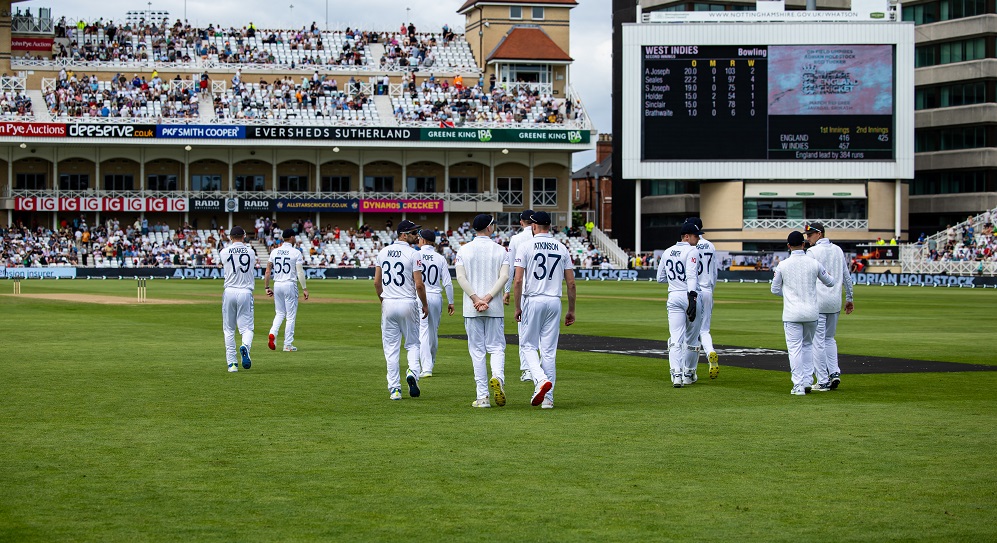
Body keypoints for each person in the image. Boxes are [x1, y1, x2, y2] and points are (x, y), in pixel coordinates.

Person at [513, 211, 576, 409]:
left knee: (528, 346)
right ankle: (548, 399)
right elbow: (571, 283)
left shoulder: (525, 246)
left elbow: (518, 280)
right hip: (554, 301)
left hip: (533, 299)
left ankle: (540, 380)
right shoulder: (562, 247)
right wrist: (571, 310)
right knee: (548, 351)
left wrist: (517, 306)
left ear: (533, 226)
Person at [455, 214, 511, 408]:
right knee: (496, 348)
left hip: (472, 308)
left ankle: (483, 397)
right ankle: (498, 378)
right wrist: (487, 298)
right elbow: (504, 277)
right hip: (494, 307)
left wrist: (476, 299)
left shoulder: (463, 249)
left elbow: (461, 278)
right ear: (489, 228)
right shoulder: (501, 250)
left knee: (477, 352)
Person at [771, 231, 834, 396]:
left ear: (788, 246)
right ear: (804, 244)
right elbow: (830, 282)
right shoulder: (813, 263)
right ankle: (807, 380)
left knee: (795, 349)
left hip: (792, 313)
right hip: (812, 313)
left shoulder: (782, 265)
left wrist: (789, 294)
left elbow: (774, 289)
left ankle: (799, 385)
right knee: (807, 346)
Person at [374, 220, 429, 400]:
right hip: (407, 302)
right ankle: (413, 372)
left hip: (388, 302)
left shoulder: (383, 252)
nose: (417, 236)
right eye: (413, 233)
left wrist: (383, 300)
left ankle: (395, 389)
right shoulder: (414, 254)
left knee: (391, 349)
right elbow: (419, 285)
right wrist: (425, 304)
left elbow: (376, 282)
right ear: (403, 235)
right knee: (413, 343)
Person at [804, 223, 854, 391]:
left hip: (818, 301)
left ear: (819, 234)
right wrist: (850, 298)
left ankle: (823, 380)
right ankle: (834, 372)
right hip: (834, 301)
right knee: (829, 339)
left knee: (817, 341)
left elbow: (807, 277)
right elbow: (846, 276)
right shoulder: (838, 250)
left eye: (810, 235)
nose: (807, 238)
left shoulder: (812, 252)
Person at [657, 222, 704, 387]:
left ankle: (676, 374)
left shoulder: (667, 251)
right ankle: (688, 374)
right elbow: (691, 275)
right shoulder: (692, 250)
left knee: (675, 337)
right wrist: (692, 297)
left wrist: (674, 283)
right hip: (689, 294)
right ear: (686, 236)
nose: (698, 239)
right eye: (696, 236)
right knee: (691, 338)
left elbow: (659, 277)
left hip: (673, 295)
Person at [502, 209, 535, 382]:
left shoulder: (516, 239)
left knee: (524, 331)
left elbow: (512, 267)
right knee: (544, 333)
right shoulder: (549, 239)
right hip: (545, 290)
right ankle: (542, 369)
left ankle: (527, 370)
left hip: (524, 290)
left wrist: (507, 290)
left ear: (521, 222)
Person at [416, 229, 454, 377]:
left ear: (424, 241)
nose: (418, 240)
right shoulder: (439, 258)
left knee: (423, 332)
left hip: (420, 296)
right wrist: (451, 302)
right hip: (436, 296)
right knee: (433, 332)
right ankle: (430, 362)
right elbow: (448, 283)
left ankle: (426, 368)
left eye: (419, 238)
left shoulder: (416, 255)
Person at [264, 228, 309, 352]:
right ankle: (288, 344)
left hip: (277, 284)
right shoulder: (296, 252)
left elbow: (267, 271)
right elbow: (299, 271)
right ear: (292, 237)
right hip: (289, 284)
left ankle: (273, 332)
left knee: (279, 313)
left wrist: (267, 287)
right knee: (290, 316)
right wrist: (304, 288)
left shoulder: (274, 252)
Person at [219, 226, 257, 373]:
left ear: (230, 237)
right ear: (244, 235)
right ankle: (245, 346)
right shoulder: (251, 252)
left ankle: (232, 364)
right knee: (247, 328)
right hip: (245, 292)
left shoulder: (224, 252)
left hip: (229, 291)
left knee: (228, 329)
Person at [686, 217, 720, 379]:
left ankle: (688, 371)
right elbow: (714, 272)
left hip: (693, 291)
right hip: (707, 290)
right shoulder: (711, 246)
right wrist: (710, 290)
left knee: (690, 333)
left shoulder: (689, 246)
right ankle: (710, 352)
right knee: (704, 330)